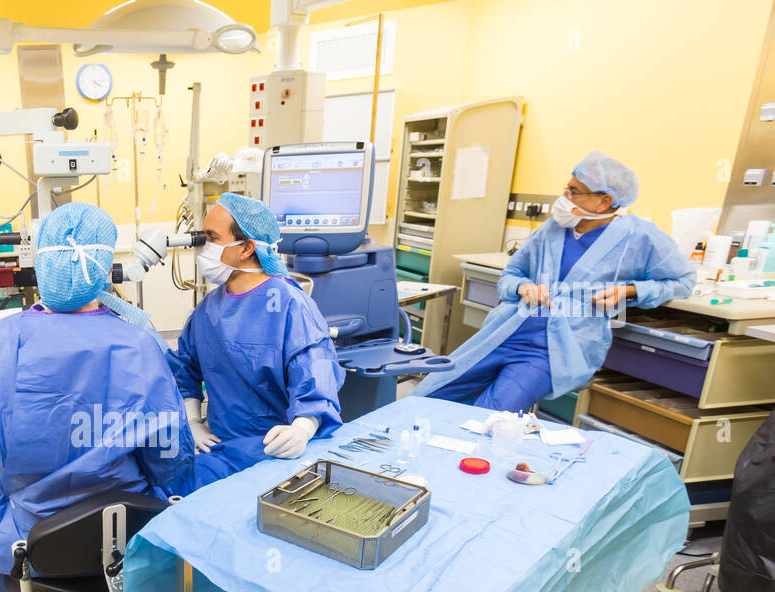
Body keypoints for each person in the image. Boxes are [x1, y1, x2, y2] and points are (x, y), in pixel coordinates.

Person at [0, 203, 194, 592]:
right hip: (124, 523)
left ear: (42, 264)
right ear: (105, 269)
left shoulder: (1, 341)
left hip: (30, 528)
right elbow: (169, 459)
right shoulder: (141, 344)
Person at [413, 152, 695, 411]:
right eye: (566, 188)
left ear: (604, 201)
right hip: (506, 332)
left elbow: (683, 280)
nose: (565, 196)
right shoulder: (552, 230)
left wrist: (631, 290)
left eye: (574, 192)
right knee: (429, 395)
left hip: (555, 349)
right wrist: (523, 287)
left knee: (491, 412)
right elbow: (510, 276)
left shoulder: (639, 237)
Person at [168, 193, 343, 484]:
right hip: (220, 448)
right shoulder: (208, 309)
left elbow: (317, 382)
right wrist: (193, 422)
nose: (203, 246)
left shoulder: (290, 306)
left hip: (279, 453)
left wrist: (301, 430)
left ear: (247, 248)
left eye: (212, 237)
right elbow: (183, 370)